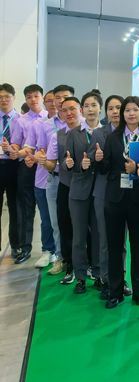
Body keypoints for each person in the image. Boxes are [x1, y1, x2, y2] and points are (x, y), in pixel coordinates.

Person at [95, 96, 139, 309]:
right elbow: (104, 169)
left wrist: (137, 169)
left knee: (137, 247)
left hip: (138, 199)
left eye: (135, 110)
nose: (131, 114)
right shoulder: (113, 137)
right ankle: (115, 291)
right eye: (127, 110)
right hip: (114, 200)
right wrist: (99, 160)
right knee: (115, 247)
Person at [65, 91, 104, 295]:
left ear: (100, 108)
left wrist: (100, 161)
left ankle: (98, 274)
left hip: (100, 191)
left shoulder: (106, 133)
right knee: (78, 236)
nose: (90, 109)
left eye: (94, 105)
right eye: (86, 106)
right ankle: (80, 277)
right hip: (79, 191)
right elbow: (68, 162)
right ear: (82, 109)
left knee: (99, 235)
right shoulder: (73, 133)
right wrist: (74, 164)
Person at [88, 95, 126, 300]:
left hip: (125, 193)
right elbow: (90, 158)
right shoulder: (99, 133)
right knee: (105, 239)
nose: (115, 112)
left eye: (118, 107)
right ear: (106, 112)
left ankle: (121, 279)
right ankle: (105, 279)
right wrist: (96, 158)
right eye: (111, 108)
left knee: (122, 241)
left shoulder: (131, 133)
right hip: (103, 192)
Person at [43, 97, 84, 284]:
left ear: (80, 110)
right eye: (64, 110)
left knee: (88, 227)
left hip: (88, 187)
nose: (69, 113)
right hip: (66, 185)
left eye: (72, 109)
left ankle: (90, 265)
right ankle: (69, 265)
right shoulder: (57, 136)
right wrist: (43, 162)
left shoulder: (91, 132)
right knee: (65, 226)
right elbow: (51, 164)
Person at [36, 84, 74, 276]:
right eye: (56, 98)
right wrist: (40, 158)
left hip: (78, 180)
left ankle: (83, 260)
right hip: (55, 177)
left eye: (65, 97)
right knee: (57, 222)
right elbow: (42, 151)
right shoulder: (46, 125)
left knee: (80, 222)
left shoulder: (83, 124)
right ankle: (61, 257)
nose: (60, 101)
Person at [10, 84, 47, 264]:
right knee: (25, 208)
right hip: (26, 167)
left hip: (45, 166)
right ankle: (25, 248)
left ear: (42, 97)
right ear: (25, 99)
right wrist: (14, 150)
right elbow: (16, 144)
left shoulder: (50, 118)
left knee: (48, 210)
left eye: (36, 96)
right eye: (29, 97)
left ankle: (52, 250)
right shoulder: (21, 120)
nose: (33, 100)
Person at [32, 90, 58, 269]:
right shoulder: (43, 124)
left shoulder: (78, 123)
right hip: (45, 178)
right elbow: (35, 148)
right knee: (47, 219)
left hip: (70, 179)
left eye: (58, 99)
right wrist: (33, 156)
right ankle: (48, 250)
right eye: (50, 100)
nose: (54, 103)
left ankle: (67, 255)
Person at [0, 84, 20, 259]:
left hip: (15, 166)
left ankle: (15, 245)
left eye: (7, 96)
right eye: (0, 97)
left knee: (15, 208)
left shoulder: (20, 120)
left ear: (14, 97)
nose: (3, 100)